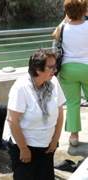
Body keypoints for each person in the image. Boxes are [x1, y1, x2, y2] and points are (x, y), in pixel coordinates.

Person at [6, 50, 66, 180]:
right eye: (50, 67)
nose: (55, 70)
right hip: (25, 147)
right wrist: (24, 149)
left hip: (47, 146)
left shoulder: (53, 82)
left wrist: (55, 141)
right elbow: (12, 120)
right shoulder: (21, 87)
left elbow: (60, 115)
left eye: (55, 66)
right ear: (38, 70)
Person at [52, 0, 88, 146]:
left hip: (67, 68)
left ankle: (74, 137)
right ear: (85, 9)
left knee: (73, 103)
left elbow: (54, 35)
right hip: (86, 67)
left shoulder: (63, 26)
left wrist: (65, 19)